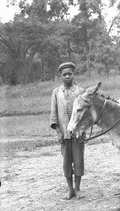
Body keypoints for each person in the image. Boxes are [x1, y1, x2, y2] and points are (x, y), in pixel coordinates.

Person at [50, 62, 86, 200]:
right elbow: (53, 114)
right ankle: (70, 189)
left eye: (69, 74)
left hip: (78, 133)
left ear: (73, 75)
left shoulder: (81, 91)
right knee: (66, 162)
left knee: (78, 160)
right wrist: (58, 132)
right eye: (64, 74)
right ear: (61, 76)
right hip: (64, 134)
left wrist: (82, 130)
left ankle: (77, 189)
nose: (67, 76)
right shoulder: (56, 92)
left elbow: (85, 113)